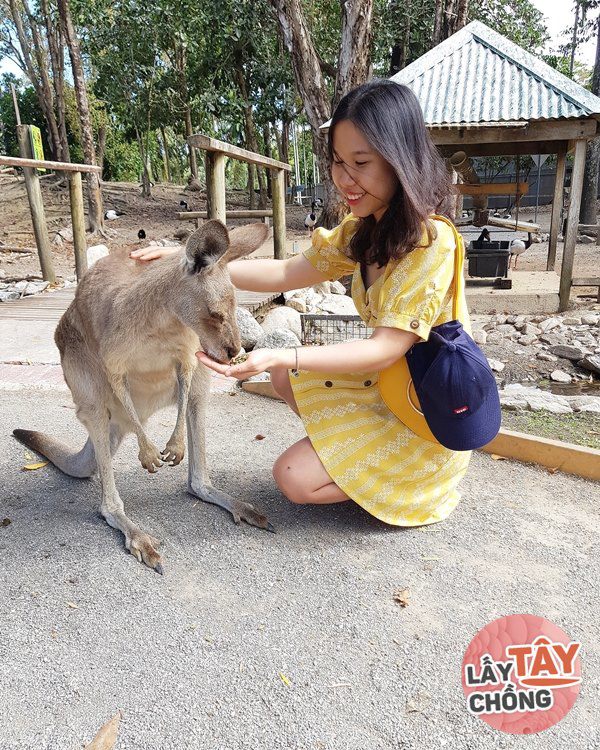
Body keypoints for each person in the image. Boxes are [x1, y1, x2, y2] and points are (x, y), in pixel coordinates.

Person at [130, 79, 471, 527]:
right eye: (337, 162)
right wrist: (186, 262)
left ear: (399, 159)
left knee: (292, 478)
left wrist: (285, 351)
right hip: (384, 385)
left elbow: (388, 346)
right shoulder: (363, 229)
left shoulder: (430, 241)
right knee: (282, 372)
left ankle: (413, 480)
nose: (344, 179)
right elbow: (288, 272)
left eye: (361, 163)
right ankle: (346, 452)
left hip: (420, 404)